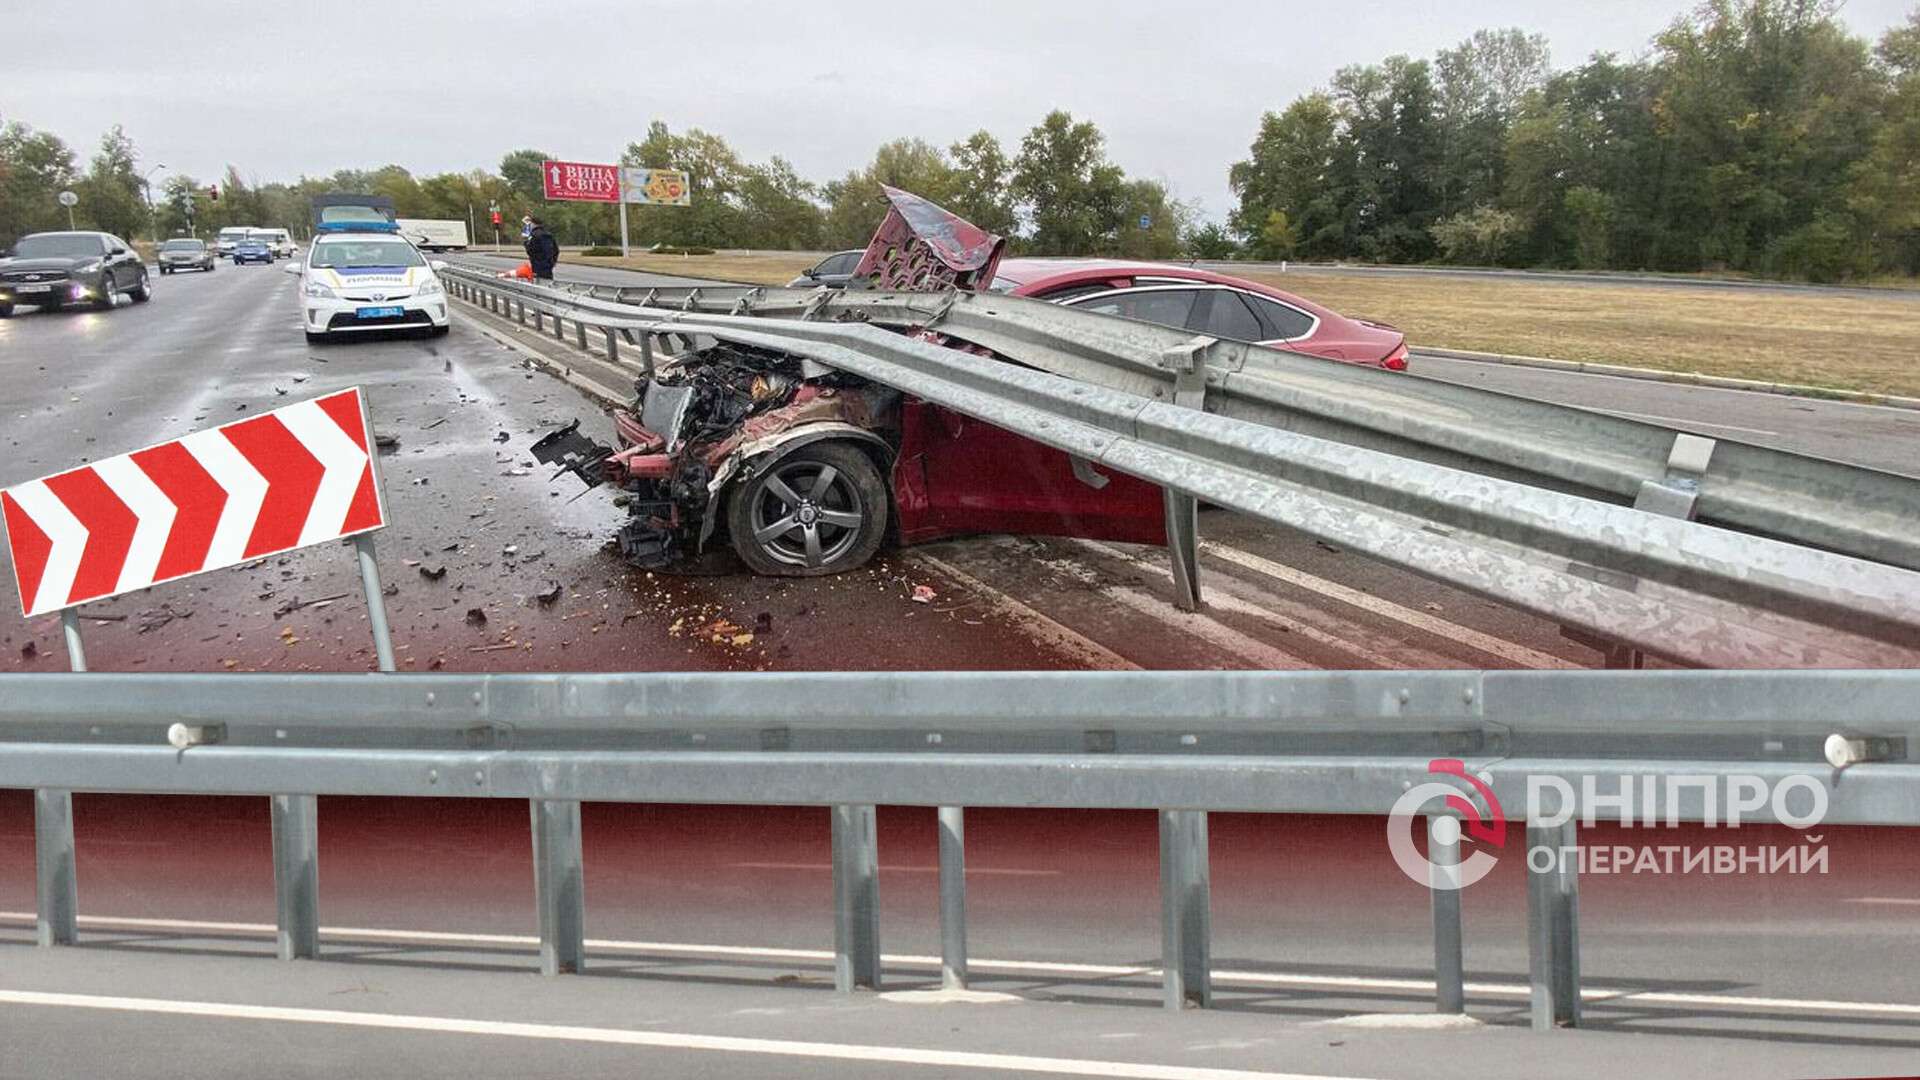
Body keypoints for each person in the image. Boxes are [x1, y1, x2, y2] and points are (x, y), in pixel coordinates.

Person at [522, 215, 559, 281]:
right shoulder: (548, 234)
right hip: (548, 265)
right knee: (548, 282)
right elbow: (556, 250)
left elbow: (530, 250)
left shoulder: (534, 235)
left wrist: (526, 243)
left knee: (539, 283)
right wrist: (553, 261)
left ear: (533, 224)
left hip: (537, 264)